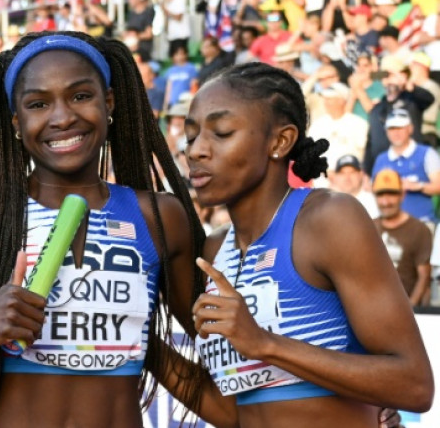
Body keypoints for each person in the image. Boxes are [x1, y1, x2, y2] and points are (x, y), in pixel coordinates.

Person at [0, 31, 206, 427]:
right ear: (17, 121)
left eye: (81, 96)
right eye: (38, 104)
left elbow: (219, 350)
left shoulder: (161, 217)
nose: (62, 117)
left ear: (109, 102)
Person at [182, 62, 433, 426]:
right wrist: (141, 340)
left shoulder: (329, 219)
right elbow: (234, 414)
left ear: (280, 141)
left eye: (221, 132)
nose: (196, 151)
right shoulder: (214, 252)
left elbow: (414, 385)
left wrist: (264, 343)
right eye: (191, 136)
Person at [372, 169, 434, 307]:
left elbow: (424, 276)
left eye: (391, 194)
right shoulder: (369, 227)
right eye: (380, 195)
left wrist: (411, 309)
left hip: (405, 309)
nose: (386, 202)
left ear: (402, 194)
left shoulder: (419, 230)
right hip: (372, 309)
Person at [372, 109, 440, 226]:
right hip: (389, 224)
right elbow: (374, 189)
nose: (396, 133)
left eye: (400, 128)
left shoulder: (427, 153)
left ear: (410, 129)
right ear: (386, 132)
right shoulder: (381, 159)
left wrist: (418, 186)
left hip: (422, 221)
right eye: (392, 129)